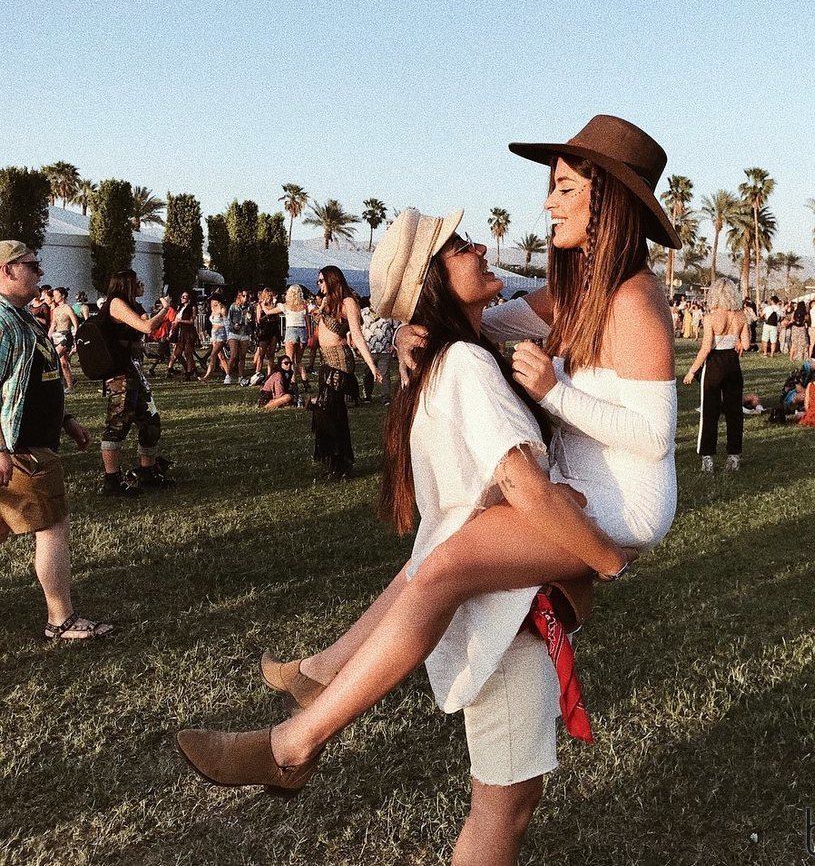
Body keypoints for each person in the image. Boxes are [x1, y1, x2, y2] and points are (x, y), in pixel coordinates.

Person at [178, 115, 680, 860]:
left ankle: (295, 742)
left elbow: (654, 439)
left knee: (442, 563)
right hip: (578, 490)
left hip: (622, 504)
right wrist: (424, 326)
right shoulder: (571, 295)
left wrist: (557, 395)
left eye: (566, 189)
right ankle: (319, 680)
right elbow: (496, 322)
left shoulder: (636, 300)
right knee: (439, 549)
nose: (548, 204)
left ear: (608, 202)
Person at [0, 241, 112, 639]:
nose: (41, 273)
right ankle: (60, 619)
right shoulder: (2, 321)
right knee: (53, 525)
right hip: (21, 450)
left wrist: (65, 420)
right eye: (32, 266)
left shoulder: (22, 318)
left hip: (25, 445)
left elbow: (31, 381)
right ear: (7, 270)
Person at [97, 270, 174, 495]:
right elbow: (147, 327)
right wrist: (166, 309)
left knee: (150, 421)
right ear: (127, 285)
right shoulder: (116, 303)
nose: (141, 285)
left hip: (134, 371)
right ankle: (111, 480)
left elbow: (145, 325)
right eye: (138, 282)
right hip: (120, 373)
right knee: (118, 423)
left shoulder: (131, 305)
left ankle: (146, 473)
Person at [309, 266, 380, 477]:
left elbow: (357, 335)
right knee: (325, 411)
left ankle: (341, 462)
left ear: (332, 280)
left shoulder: (348, 302)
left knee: (332, 411)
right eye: (318, 281)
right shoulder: (326, 302)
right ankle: (333, 460)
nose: (319, 285)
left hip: (339, 363)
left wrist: (371, 365)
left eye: (321, 281)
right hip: (326, 361)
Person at [683, 278, 750, 472]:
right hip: (733, 364)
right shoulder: (741, 316)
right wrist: (737, 342)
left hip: (714, 364)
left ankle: (707, 458)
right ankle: (734, 456)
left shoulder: (711, 318)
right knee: (734, 412)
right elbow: (745, 344)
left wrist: (692, 370)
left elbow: (705, 349)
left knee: (709, 412)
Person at [263, 284, 310, 385]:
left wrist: (262, 305)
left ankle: (293, 382)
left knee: (290, 360)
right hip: (302, 332)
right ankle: (305, 381)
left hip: (291, 331)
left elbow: (268, 312)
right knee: (299, 361)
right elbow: (315, 311)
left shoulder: (285, 306)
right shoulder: (304, 306)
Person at [360, 297, 396, 404]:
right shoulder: (363, 313)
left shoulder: (388, 313)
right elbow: (357, 328)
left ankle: (386, 397)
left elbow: (395, 328)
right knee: (368, 373)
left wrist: (393, 345)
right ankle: (367, 395)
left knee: (384, 374)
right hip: (368, 350)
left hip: (385, 350)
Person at [48, 287, 79, 392]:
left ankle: (54, 384)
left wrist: (75, 339)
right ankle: (70, 386)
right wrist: (48, 337)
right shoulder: (56, 310)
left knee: (54, 357)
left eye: (56, 295)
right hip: (56, 336)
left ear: (63, 296)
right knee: (64, 363)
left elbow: (75, 324)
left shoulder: (68, 308)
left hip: (66, 336)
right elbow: (53, 325)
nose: (54, 297)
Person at [198, 296, 230, 383]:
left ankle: (207, 375)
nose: (212, 302)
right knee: (221, 356)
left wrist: (227, 337)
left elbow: (226, 323)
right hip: (214, 335)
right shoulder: (212, 309)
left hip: (221, 334)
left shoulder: (222, 309)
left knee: (213, 354)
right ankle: (228, 375)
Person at [168, 291, 198, 380]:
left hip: (188, 332)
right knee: (177, 353)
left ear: (189, 298)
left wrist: (180, 321)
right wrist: (172, 329)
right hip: (180, 332)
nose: (182, 298)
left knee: (188, 353)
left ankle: (188, 374)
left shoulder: (192, 308)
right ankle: (190, 369)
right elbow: (176, 320)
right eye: (182, 296)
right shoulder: (180, 307)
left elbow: (191, 321)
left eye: (185, 297)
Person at [225, 290, 249, 385]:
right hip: (234, 333)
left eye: (247, 296)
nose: (245, 298)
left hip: (244, 332)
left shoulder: (249, 307)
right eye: (243, 296)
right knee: (233, 355)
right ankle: (228, 375)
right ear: (239, 296)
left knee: (242, 356)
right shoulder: (233, 306)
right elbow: (228, 320)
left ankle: (240, 376)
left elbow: (252, 320)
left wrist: (250, 318)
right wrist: (233, 326)